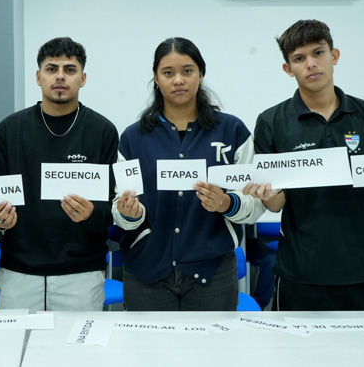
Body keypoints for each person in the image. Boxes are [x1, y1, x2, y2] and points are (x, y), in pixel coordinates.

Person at [244, 19, 364, 311]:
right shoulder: (271, 122)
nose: (311, 64)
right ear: (288, 69)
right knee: (301, 357)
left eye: (318, 53)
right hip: (301, 269)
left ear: (334, 56)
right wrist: (263, 193)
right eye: (299, 58)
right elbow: (276, 204)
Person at [112, 37, 265, 311]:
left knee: (210, 352)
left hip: (213, 272)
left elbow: (255, 205)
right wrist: (128, 214)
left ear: (201, 74)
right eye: (168, 73)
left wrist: (228, 203)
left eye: (187, 71)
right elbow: (119, 208)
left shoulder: (232, 131)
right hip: (147, 270)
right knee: (146, 352)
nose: (178, 80)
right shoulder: (133, 138)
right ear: (156, 79)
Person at [0, 37, 118, 313]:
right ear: (38, 77)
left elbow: (112, 208)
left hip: (81, 275)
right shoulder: (10, 130)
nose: (60, 76)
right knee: (15, 352)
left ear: (83, 79)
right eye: (51, 68)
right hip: (18, 273)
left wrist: (92, 213)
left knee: (77, 355)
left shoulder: (103, 131)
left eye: (70, 69)